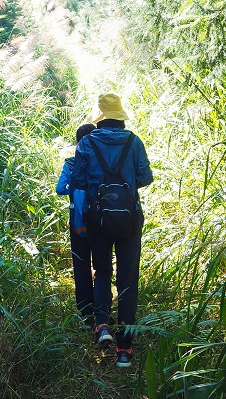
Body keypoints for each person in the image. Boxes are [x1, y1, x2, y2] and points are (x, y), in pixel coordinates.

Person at [72, 92, 153, 368]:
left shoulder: (86, 143)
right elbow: (145, 177)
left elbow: (78, 180)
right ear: (120, 116)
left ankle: (103, 325)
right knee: (128, 278)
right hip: (130, 219)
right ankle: (125, 349)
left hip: (97, 220)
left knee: (102, 270)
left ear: (100, 117)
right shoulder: (134, 141)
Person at [56, 123, 96, 328]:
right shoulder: (101, 163)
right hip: (100, 221)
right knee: (102, 264)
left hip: (77, 222)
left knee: (81, 266)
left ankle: (86, 313)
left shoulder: (70, 163)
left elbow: (60, 189)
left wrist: (74, 187)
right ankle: (103, 310)